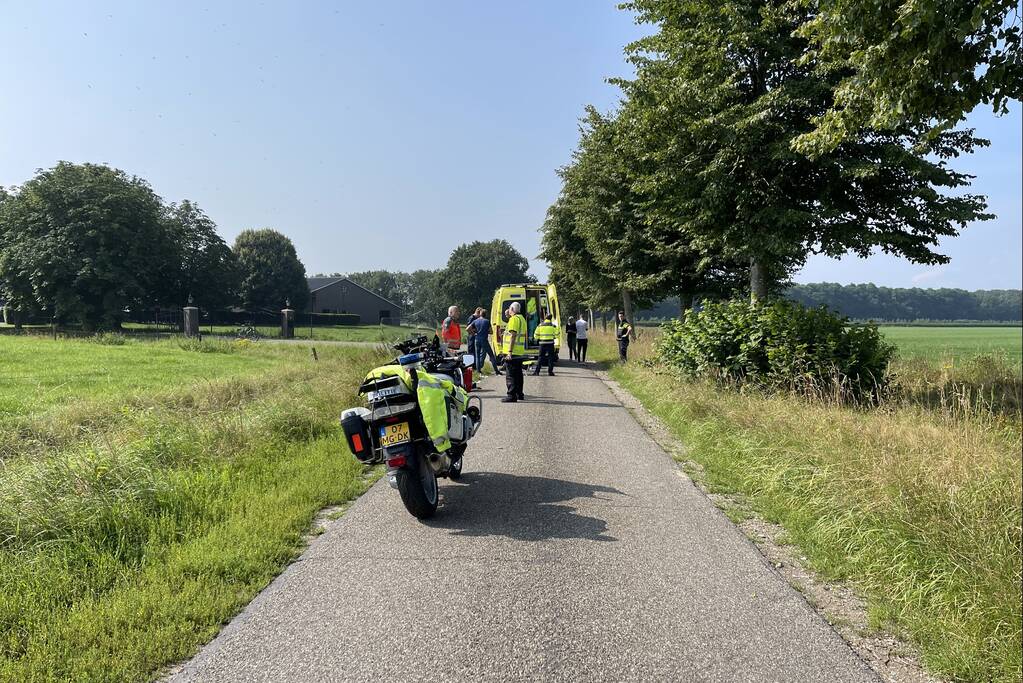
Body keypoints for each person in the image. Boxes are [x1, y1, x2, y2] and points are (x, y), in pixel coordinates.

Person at [501, 301, 527, 403]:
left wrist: (509, 352)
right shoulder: (522, 319)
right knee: (518, 374)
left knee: (511, 375)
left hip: (513, 352)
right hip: (519, 351)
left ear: (512, 309)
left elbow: (513, 335)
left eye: (509, 309)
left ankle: (511, 395)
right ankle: (519, 394)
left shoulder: (514, 319)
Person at [470, 308, 502, 375]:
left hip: (477, 339)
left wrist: (473, 333)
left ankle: (478, 371)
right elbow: (491, 332)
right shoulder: (487, 321)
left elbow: (467, 328)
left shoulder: (475, 321)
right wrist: (486, 331)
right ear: (486, 314)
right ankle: (496, 370)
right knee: (491, 355)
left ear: (480, 314)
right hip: (484, 340)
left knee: (477, 356)